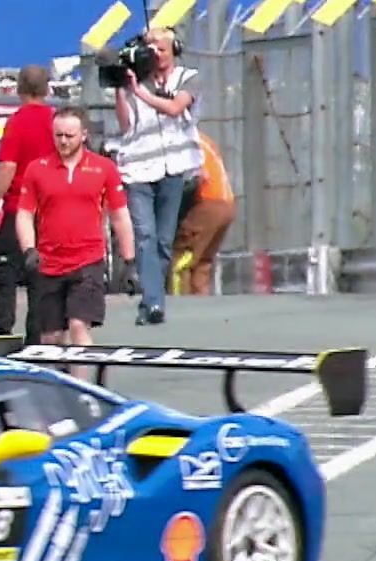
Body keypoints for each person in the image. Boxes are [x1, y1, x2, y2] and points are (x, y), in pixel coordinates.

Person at [14, 107, 136, 345]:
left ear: (83, 135)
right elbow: (25, 214)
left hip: (88, 260)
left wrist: (129, 262)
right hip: (49, 263)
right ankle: (60, 369)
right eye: (58, 135)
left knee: (79, 326)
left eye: (69, 136)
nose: (63, 141)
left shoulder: (104, 168)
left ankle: (81, 371)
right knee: (51, 338)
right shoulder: (37, 169)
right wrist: (29, 249)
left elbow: (120, 216)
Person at [111, 26, 202, 326]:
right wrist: (122, 89)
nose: (157, 55)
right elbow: (125, 125)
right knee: (145, 235)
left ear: (174, 49)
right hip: (138, 169)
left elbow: (175, 108)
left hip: (173, 168)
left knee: (163, 240)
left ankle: (151, 300)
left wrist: (141, 93)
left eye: (162, 49)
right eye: (151, 50)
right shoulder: (134, 81)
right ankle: (153, 303)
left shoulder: (188, 78)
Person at [0, 66, 57, 336]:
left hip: (18, 208)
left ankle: (2, 326)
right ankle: (36, 334)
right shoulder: (56, 121)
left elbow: (8, 166)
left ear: (19, 88)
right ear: (47, 89)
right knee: (40, 276)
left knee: (6, 270)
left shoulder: (17, 121)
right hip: (49, 210)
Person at [171, 129, 236, 296]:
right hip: (226, 202)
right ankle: (201, 302)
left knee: (179, 260)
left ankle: (178, 304)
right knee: (202, 263)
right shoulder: (203, 139)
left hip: (207, 203)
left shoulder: (183, 140)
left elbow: (199, 177)